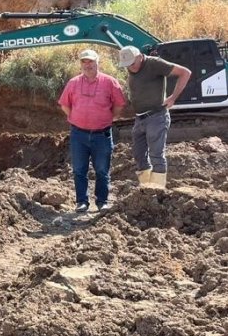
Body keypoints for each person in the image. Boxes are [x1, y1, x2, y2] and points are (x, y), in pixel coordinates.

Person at [58, 49, 126, 212]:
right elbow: (65, 104)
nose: (87, 65)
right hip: (78, 134)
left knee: (102, 169)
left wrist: (108, 118)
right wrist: (76, 117)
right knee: (79, 169)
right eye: (84, 61)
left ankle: (102, 201)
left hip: (101, 134)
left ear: (97, 62)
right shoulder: (73, 83)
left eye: (90, 61)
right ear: (80, 64)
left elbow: (119, 104)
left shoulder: (109, 82)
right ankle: (82, 202)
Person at [117, 45, 191, 189]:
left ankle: (157, 190)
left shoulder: (154, 64)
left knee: (156, 155)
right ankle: (146, 189)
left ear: (139, 56)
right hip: (140, 118)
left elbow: (185, 72)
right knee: (139, 155)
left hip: (156, 116)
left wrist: (173, 97)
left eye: (132, 63)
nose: (130, 67)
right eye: (127, 65)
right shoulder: (131, 67)